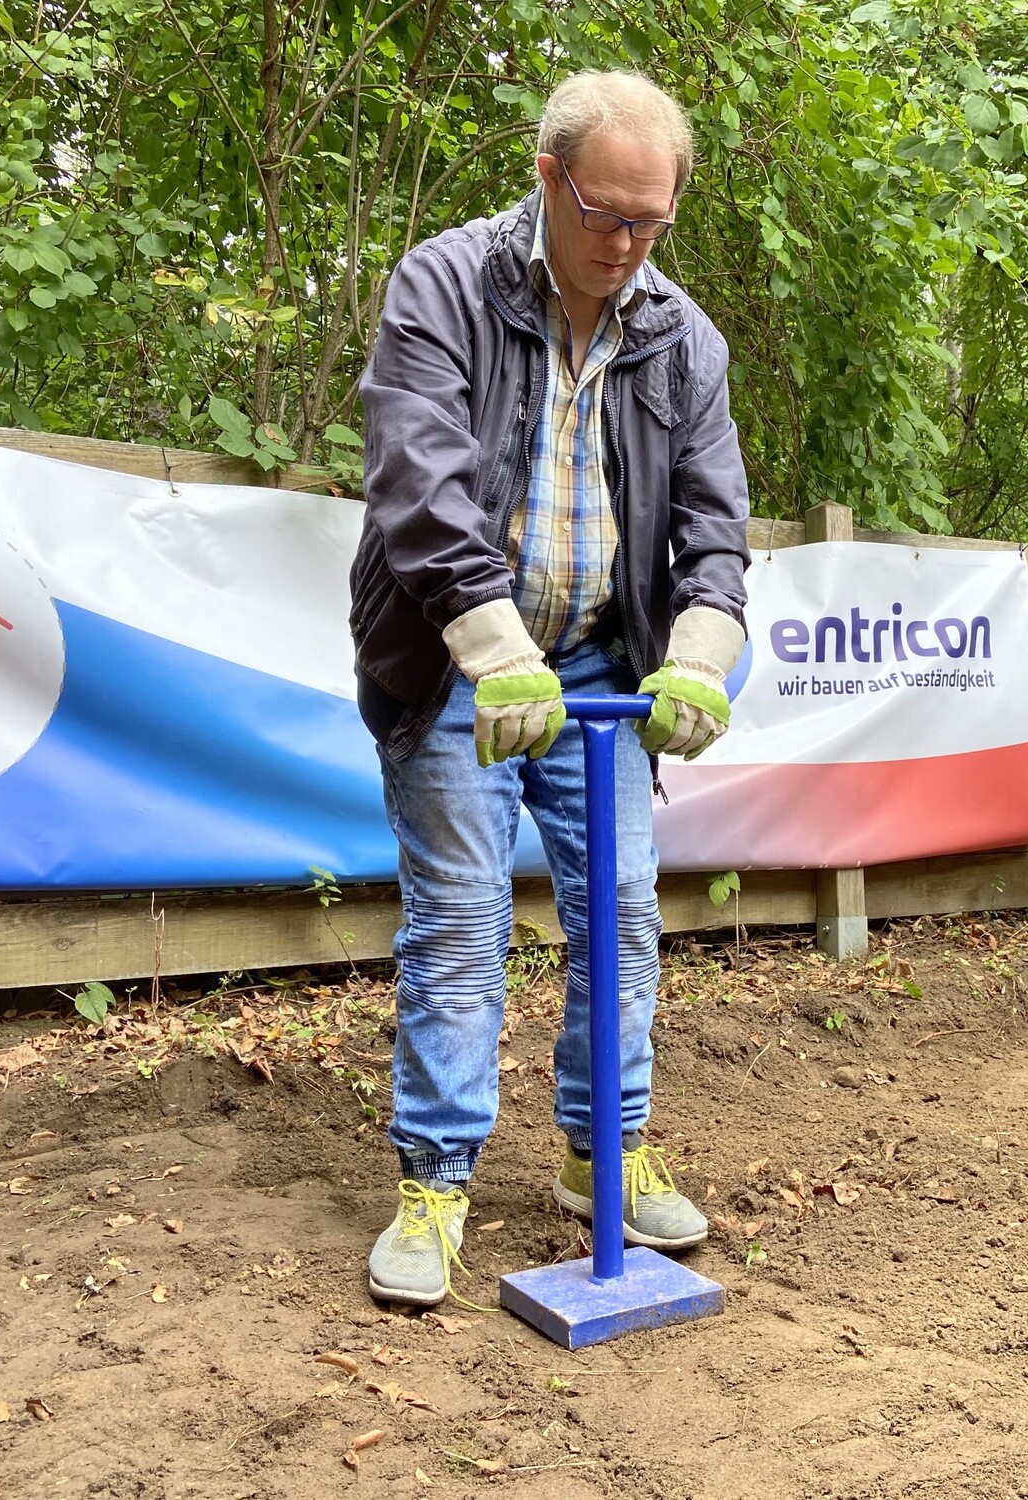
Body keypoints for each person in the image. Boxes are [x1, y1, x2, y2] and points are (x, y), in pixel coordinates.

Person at [348, 72, 750, 1305]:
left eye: (651, 223)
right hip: (453, 650)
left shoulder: (682, 340)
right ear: (546, 178)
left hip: (596, 664)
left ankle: (604, 1156)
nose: (625, 246)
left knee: (622, 915)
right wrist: (489, 644)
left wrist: (698, 651)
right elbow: (419, 487)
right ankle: (435, 1179)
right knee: (463, 921)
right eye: (605, 215)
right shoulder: (444, 287)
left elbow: (713, 530)